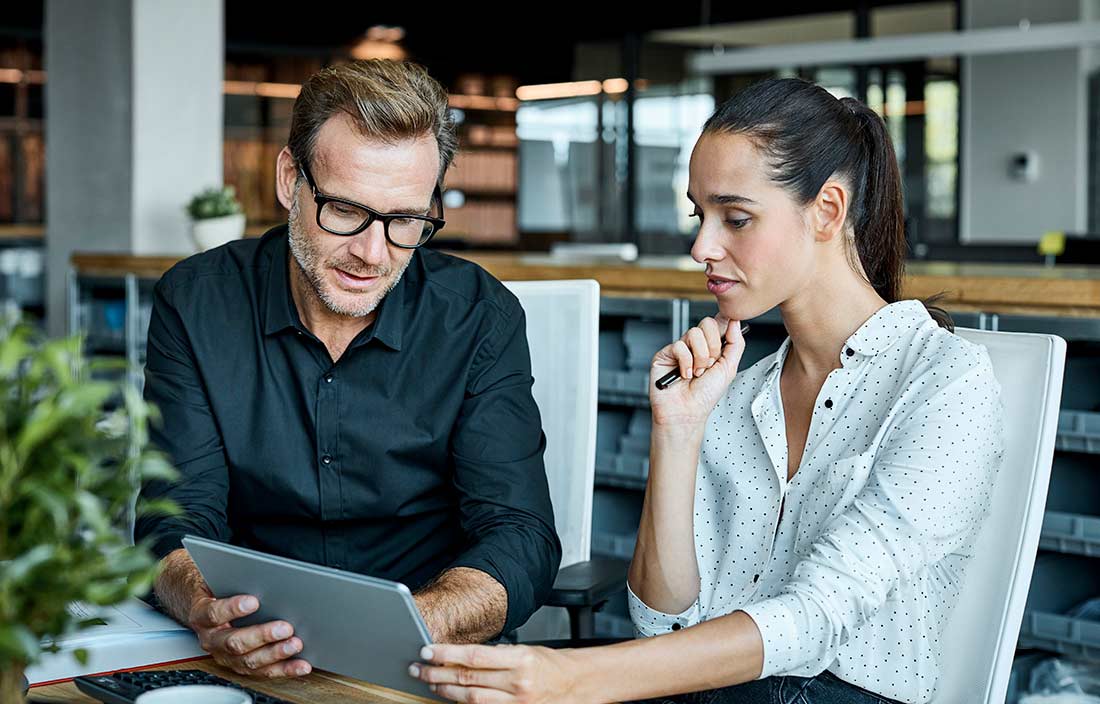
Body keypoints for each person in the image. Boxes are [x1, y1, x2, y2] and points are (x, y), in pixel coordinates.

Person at [409, 77, 1005, 704]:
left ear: (827, 210)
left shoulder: (945, 384)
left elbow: (815, 618)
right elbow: (661, 620)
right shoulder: (737, 391)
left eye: (736, 218)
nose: (702, 247)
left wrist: (575, 677)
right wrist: (678, 431)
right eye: (700, 215)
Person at [135, 59, 561, 680]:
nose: (371, 252)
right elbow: (173, 516)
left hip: (425, 654)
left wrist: (411, 624)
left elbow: (519, 535)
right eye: (343, 210)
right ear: (290, 180)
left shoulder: (479, 318)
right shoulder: (197, 303)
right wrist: (206, 607)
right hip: (246, 651)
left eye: (405, 221)